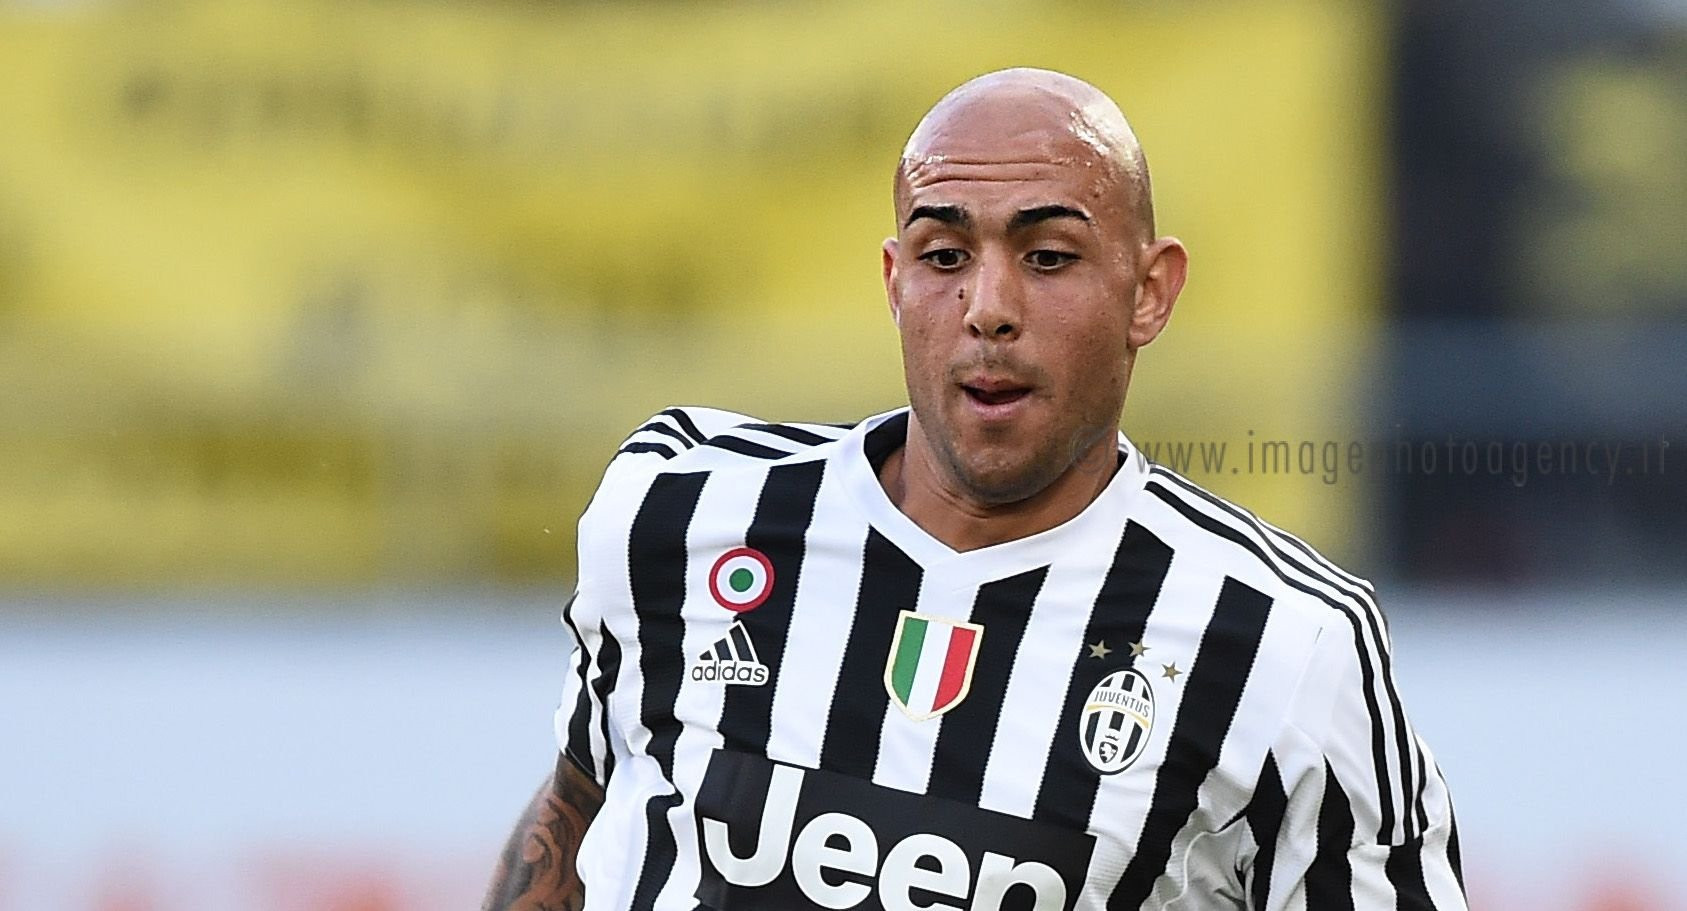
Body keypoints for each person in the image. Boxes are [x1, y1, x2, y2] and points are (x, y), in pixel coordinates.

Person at [483, 67, 1466, 911]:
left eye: (1048, 257)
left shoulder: (1281, 642)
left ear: (1148, 292)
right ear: (893, 281)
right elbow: (581, 808)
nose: (988, 308)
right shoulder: (681, 509)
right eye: (943, 256)